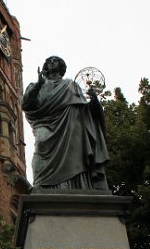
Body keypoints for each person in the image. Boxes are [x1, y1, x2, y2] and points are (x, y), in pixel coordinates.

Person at [22, 55, 109, 191]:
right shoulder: (37, 85)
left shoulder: (70, 84)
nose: (51, 62)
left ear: (61, 66)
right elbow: (26, 104)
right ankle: (41, 183)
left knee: (74, 155)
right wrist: (39, 84)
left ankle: (74, 186)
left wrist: (94, 101)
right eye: (49, 61)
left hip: (71, 124)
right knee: (41, 142)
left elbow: (84, 110)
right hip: (45, 122)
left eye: (55, 60)